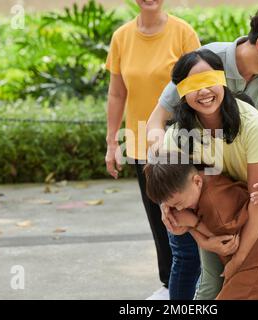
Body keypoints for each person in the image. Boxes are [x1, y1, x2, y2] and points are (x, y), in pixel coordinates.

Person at [147, 2, 258, 300]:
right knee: (211, 283)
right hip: (215, 192)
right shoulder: (205, 64)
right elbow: (155, 123)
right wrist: (169, 182)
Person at [104, 0, 201, 300]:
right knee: (160, 220)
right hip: (140, 146)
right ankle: (169, 285)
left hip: (179, 145)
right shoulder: (122, 37)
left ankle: (198, 283)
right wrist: (111, 142)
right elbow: (117, 93)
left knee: (188, 214)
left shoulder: (183, 33)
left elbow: (199, 87)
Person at [143, 153, 258, 299]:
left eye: (179, 204)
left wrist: (193, 223)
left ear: (197, 182)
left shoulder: (213, 204)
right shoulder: (205, 176)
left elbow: (229, 242)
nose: (180, 210)